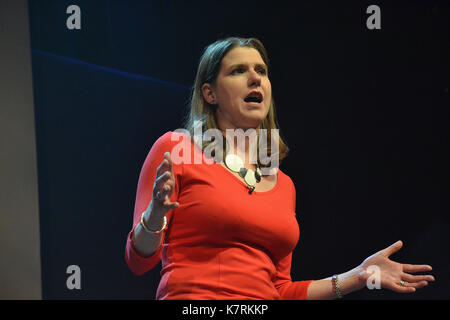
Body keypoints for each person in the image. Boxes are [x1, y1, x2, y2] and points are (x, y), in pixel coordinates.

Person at [125, 37, 435, 299]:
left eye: (261, 70)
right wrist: (154, 217)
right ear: (210, 93)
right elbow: (138, 262)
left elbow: (280, 289)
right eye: (237, 70)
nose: (255, 78)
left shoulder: (283, 184)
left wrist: (358, 275)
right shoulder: (177, 149)